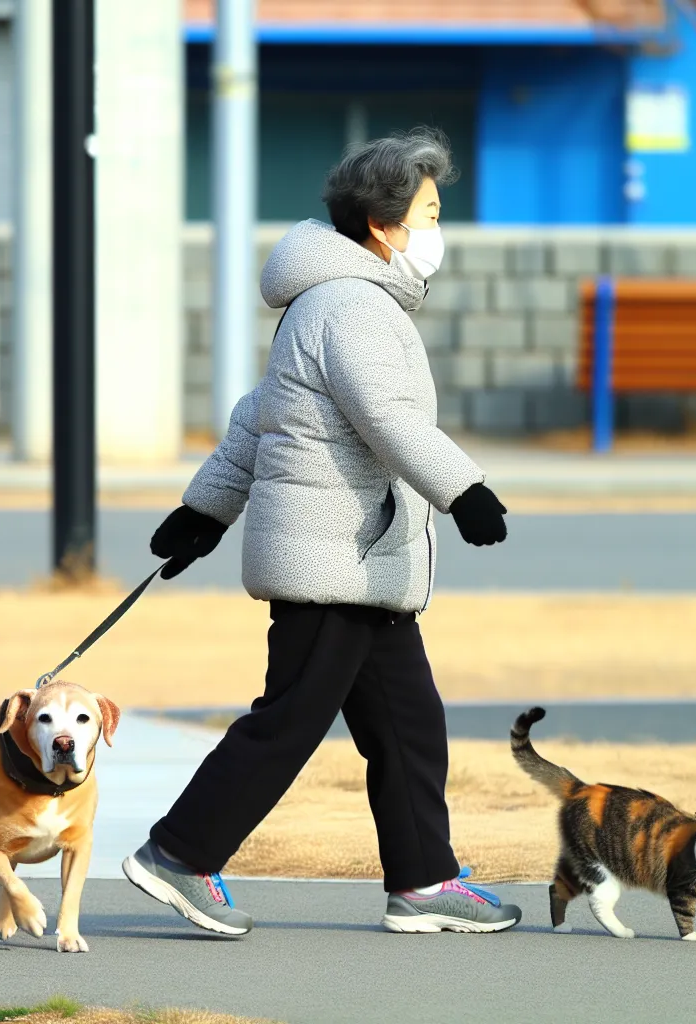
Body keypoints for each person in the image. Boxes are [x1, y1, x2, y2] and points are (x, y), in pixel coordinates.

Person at [121, 127, 521, 935]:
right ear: (382, 224)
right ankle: (178, 854)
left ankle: (423, 882)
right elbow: (389, 420)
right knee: (291, 720)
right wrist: (464, 490)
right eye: (430, 213)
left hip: (360, 563)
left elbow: (258, 419)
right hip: (332, 557)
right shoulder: (352, 305)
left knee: (409, 727)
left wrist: (206, 511)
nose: (437, 230)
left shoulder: (329, 300)